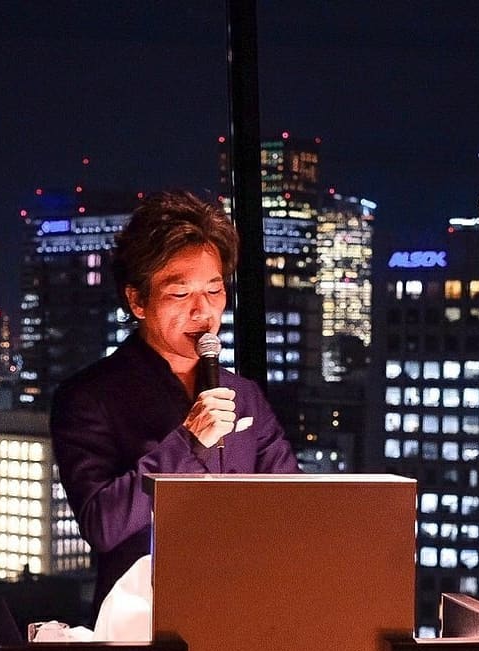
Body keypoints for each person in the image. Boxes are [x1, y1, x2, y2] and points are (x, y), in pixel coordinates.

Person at [50, 190, 299, 618]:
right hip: (144, 624)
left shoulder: (244, 395)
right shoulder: (88, 397)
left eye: (214, 291)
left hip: (248, 611)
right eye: (180, 294)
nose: (203, 312)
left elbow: (294, 504)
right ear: (137, 300)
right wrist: (188, 442)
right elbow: (102, 524)